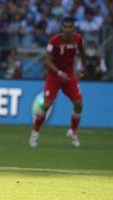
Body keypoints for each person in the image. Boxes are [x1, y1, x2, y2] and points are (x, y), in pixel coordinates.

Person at [29, 17, 86, 148]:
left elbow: (82, 53)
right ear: (62, 28)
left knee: (79, 103)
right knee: (47, 104)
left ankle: (73, 132)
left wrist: (84, 66)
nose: (68, 29)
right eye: (65, 27)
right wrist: (59, 72)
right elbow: (47, 61)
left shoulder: (78, 39)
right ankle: (35, 133)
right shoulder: (54, 41)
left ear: (73, 28)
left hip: (69, 75)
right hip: (54, 75)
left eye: (70, 27)